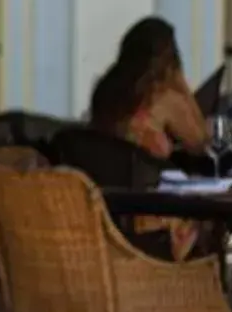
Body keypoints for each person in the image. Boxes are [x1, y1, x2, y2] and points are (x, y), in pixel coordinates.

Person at [88, 17, 210, 259]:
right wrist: (182, 83)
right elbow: (201, 142)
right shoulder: (162, 94)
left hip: (107, 217)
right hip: (152, 223)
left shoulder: (105, 91)